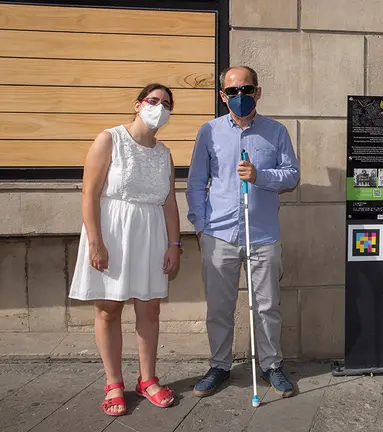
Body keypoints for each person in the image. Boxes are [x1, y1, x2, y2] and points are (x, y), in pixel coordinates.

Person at [187, 66, 300, 398]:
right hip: (219, 234)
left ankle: (271, 365)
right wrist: (200, 226)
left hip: (262, 235)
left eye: (246, 90)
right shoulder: (208, 131)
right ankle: (219, 366)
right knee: (219, 306)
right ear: (223, 95)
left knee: (267, 305)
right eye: (232, 91)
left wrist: (259, 175)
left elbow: (292, 176)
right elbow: (195, 183)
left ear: (258, 92)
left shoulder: (276, 131)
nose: (240, 97)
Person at [69, 83, 180, 416]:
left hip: (150, 234)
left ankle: (147, 380)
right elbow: (89, 194)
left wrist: (174, 244)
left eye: (166, 104)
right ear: (137, 104)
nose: (159, 107)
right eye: (153, 100)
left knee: (149, 310)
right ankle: (113, 382)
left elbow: (170, 202)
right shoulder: (109, 139)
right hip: (112, 232)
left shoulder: (164, 153)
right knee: (109, 309)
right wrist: (95, 241)